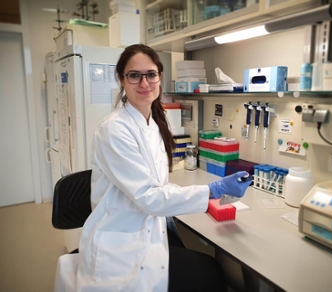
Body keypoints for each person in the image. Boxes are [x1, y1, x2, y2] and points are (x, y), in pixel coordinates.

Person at [75, 44, 252, 292]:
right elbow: (149, 197)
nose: (144, 83)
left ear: (160, 77)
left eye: (151, 74)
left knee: (206, 268)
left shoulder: (153, 124)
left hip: (149, 233)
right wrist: (213, 189)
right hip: (121, 245)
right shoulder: (114, 129)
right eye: (134, 75)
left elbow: (157, 186)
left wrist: (205, 192)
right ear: (121, 80)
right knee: (210, 273)